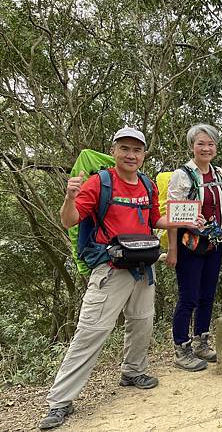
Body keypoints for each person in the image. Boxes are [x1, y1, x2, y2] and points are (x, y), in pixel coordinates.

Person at [39, 128, 173, 430]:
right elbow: (69, 220)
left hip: (143, 267)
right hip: (110, 269)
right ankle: (60, 401)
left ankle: (132, 371)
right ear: (114, 151)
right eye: (125, 149)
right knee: (91, 331)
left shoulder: (148, 185)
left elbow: (155, 220)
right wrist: (70, 197)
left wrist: (183, 221)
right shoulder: (99, 183)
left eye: (137, 150)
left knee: (142, 321)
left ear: (143, 155)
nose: (131, 155)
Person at [166, 123, 222, 371]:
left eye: (210, 143)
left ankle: (201, 341)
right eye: (201, 143)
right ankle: (181, 349)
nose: (206, 148)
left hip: (215, 243)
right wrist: (172, 250)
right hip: (190, 245)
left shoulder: (219, 174)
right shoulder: (182, 175)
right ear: (192, 146)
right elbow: (173, 216)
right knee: (188, 297)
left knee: (207, 295)